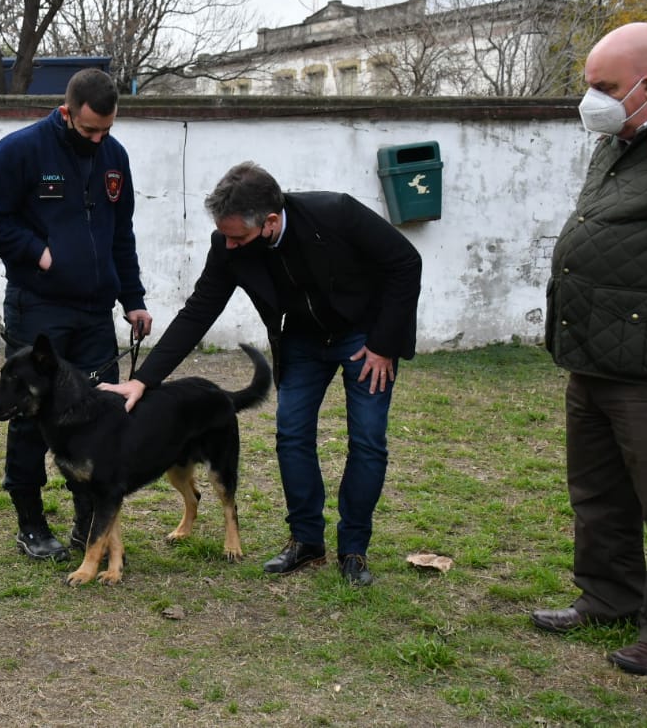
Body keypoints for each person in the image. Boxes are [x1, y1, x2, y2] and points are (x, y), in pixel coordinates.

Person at [101, 162, 421, 586]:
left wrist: (384, 343)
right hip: (302, 341)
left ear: (270, 221)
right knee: (291, 435)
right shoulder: (229, 243)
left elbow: (405, 262)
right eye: (225, 235)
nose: (229, 246)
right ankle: (306, 542)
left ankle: (354, 550)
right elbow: (199, 310)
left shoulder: (337, 214)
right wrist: (144, 379)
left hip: (364, 337)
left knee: (366, 440)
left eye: (238, 236)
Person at [530, 22, 647, 677]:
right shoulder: (619, 137)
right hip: (595, 353)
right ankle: (608, 595)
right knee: (597, 491)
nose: (591, 101)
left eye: (603, 87)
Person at [0, 68, 153, 562]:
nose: (98, 139)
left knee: (97, 414)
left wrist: (132, 297)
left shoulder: (114, 157)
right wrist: (36, 252)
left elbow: (120, 233)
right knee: (30, 415)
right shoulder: (21, 150)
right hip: (39, 307)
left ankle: (89, 523)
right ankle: (31, 524)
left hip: (95, 311)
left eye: (106, 130)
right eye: (89, 130)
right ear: (66, 113)